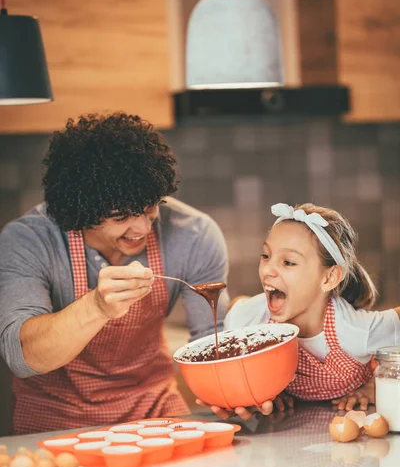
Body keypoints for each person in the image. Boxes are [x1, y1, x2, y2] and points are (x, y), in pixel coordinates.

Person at [0, 112, 229, 434]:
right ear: (79, 209)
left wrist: (241, 396)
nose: (143, 227)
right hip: (54, 418)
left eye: (150, 206)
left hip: (155, 408)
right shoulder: (29, 240)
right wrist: (95, 307)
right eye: (121, 216)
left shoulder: (195, 234)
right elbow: (22, 357)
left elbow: (213, 340)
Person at [199, 202, 400, 420]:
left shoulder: (357, 330)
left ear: (329, 278)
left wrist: (375, 384)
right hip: (288, 432)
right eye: (265, 256)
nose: (267, 270)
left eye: (288, 262)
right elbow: (237, 308)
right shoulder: (251, 321)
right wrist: (261, 392)